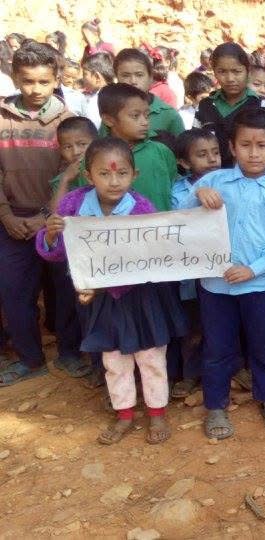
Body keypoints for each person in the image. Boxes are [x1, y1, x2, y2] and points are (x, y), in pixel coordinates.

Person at [37, 137, 187, 444]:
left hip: (141, 297)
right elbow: (55, 253)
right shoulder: (73, 206)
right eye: (104, 174)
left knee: (151, 356)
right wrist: (51, 235)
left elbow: (159, 250)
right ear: (88, 175)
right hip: (100, 299)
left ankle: (157, 413)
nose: (114, 181)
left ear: (135, 175)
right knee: (114, 359)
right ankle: (124, 415)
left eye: (121, 174)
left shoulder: (142, 208)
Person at [184, 108, 265, 439]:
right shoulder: (213, 182)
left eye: (261, 145)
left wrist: (252, 269)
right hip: (215, 287)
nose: (253, 152)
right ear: (231, 147)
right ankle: (216, 406)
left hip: (259, 286)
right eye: (245, 144)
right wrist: (196, 194)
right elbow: (182, 219)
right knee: (217, 347)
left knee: (264, 345)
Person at [0, 41, 82, 386]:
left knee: (64, 292)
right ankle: (30, 359)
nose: (35, 89)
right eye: (27, 81)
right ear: (15, 78)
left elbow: (73, 172)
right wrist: (6, 216)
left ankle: (70, 354)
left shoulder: (69, 121)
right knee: (15, 294)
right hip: (12, 221)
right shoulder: (2, 117)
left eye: (43, 82)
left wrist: (47, 215)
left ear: (56, 78)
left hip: (57, 221)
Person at [168, 129, 222, 398]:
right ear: (185, 163)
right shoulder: (175, 191)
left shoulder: (230, 183)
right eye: (202, 155)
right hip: (189, 274)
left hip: (222, 273)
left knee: (220, 326)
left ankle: (226, 371)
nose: (212, 159)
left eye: (215, 152)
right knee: (191, 327)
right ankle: (190, 374)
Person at [99, 83, 179, 211]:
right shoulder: (95, 158)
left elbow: (177, 188)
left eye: (146, 115)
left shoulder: (161, 152)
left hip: (162, 228)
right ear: (109, 120)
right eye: (135, 116)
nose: (145, 122)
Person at [193, 42, 265, 168]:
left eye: (236, 71)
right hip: (213, 179)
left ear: (247, 70)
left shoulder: (264, 107)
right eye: (222, 72)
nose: (230, 78)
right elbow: (195, 145)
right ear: (214, 72)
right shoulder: (205, 106)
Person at [113, 48, 185, 138]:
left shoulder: (169, 115)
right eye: (125, 75)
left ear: (151, 78)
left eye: (139, 75)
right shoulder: (112, 111)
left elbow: (182, 149)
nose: (133, 81)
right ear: (116, 78)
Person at [50, 116, 97, 207]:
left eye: (82, 144)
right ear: (60, 151)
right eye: (67, 147)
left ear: (96, 143)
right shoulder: (60, 180)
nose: (76, 152)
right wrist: (65, 180)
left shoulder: (107, 171)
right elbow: (56, 214)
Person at [79, 52, 114, 128]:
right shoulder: (117, 93)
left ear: (97, 77)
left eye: (85, 74)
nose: (83, 78)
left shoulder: (96, 101)